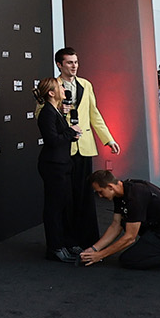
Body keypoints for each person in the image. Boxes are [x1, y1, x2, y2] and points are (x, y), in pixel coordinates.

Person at [52, 49, 120, 246]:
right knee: (66, 196)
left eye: (76, 62)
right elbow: (41, 111)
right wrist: (58, 109)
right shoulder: (52, 85)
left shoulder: (86, 85)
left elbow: (94, 114)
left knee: (84, 195)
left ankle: (86, 239)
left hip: (84, 147)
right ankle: (66, 240)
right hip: (63, 148)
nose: (74, 66)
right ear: (59, 65)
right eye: (69, 63)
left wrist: (108, 139)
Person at [82, 170, 160, 271]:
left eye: (100, 192)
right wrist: (94, 249)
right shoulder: (121, 192)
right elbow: (115, 226)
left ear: (110, 187)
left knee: (129, 260)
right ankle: (159, 248)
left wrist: (100, 255)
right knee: (125, 221)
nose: (100, 196)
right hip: (156, 228)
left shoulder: (135, 197)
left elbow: (130, 238)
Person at [35, 78, 83, 264]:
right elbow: (53, 140)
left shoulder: (56, 111)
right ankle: (55, 248)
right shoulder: (47, 112)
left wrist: (71, 133)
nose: (64, 88)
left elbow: (59, 137)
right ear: (51, 93)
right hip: (53, 166)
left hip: (62, 165)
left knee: (64, 206)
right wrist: (71, 132)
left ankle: (64, 243)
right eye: (60, 86)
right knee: (54, 208)